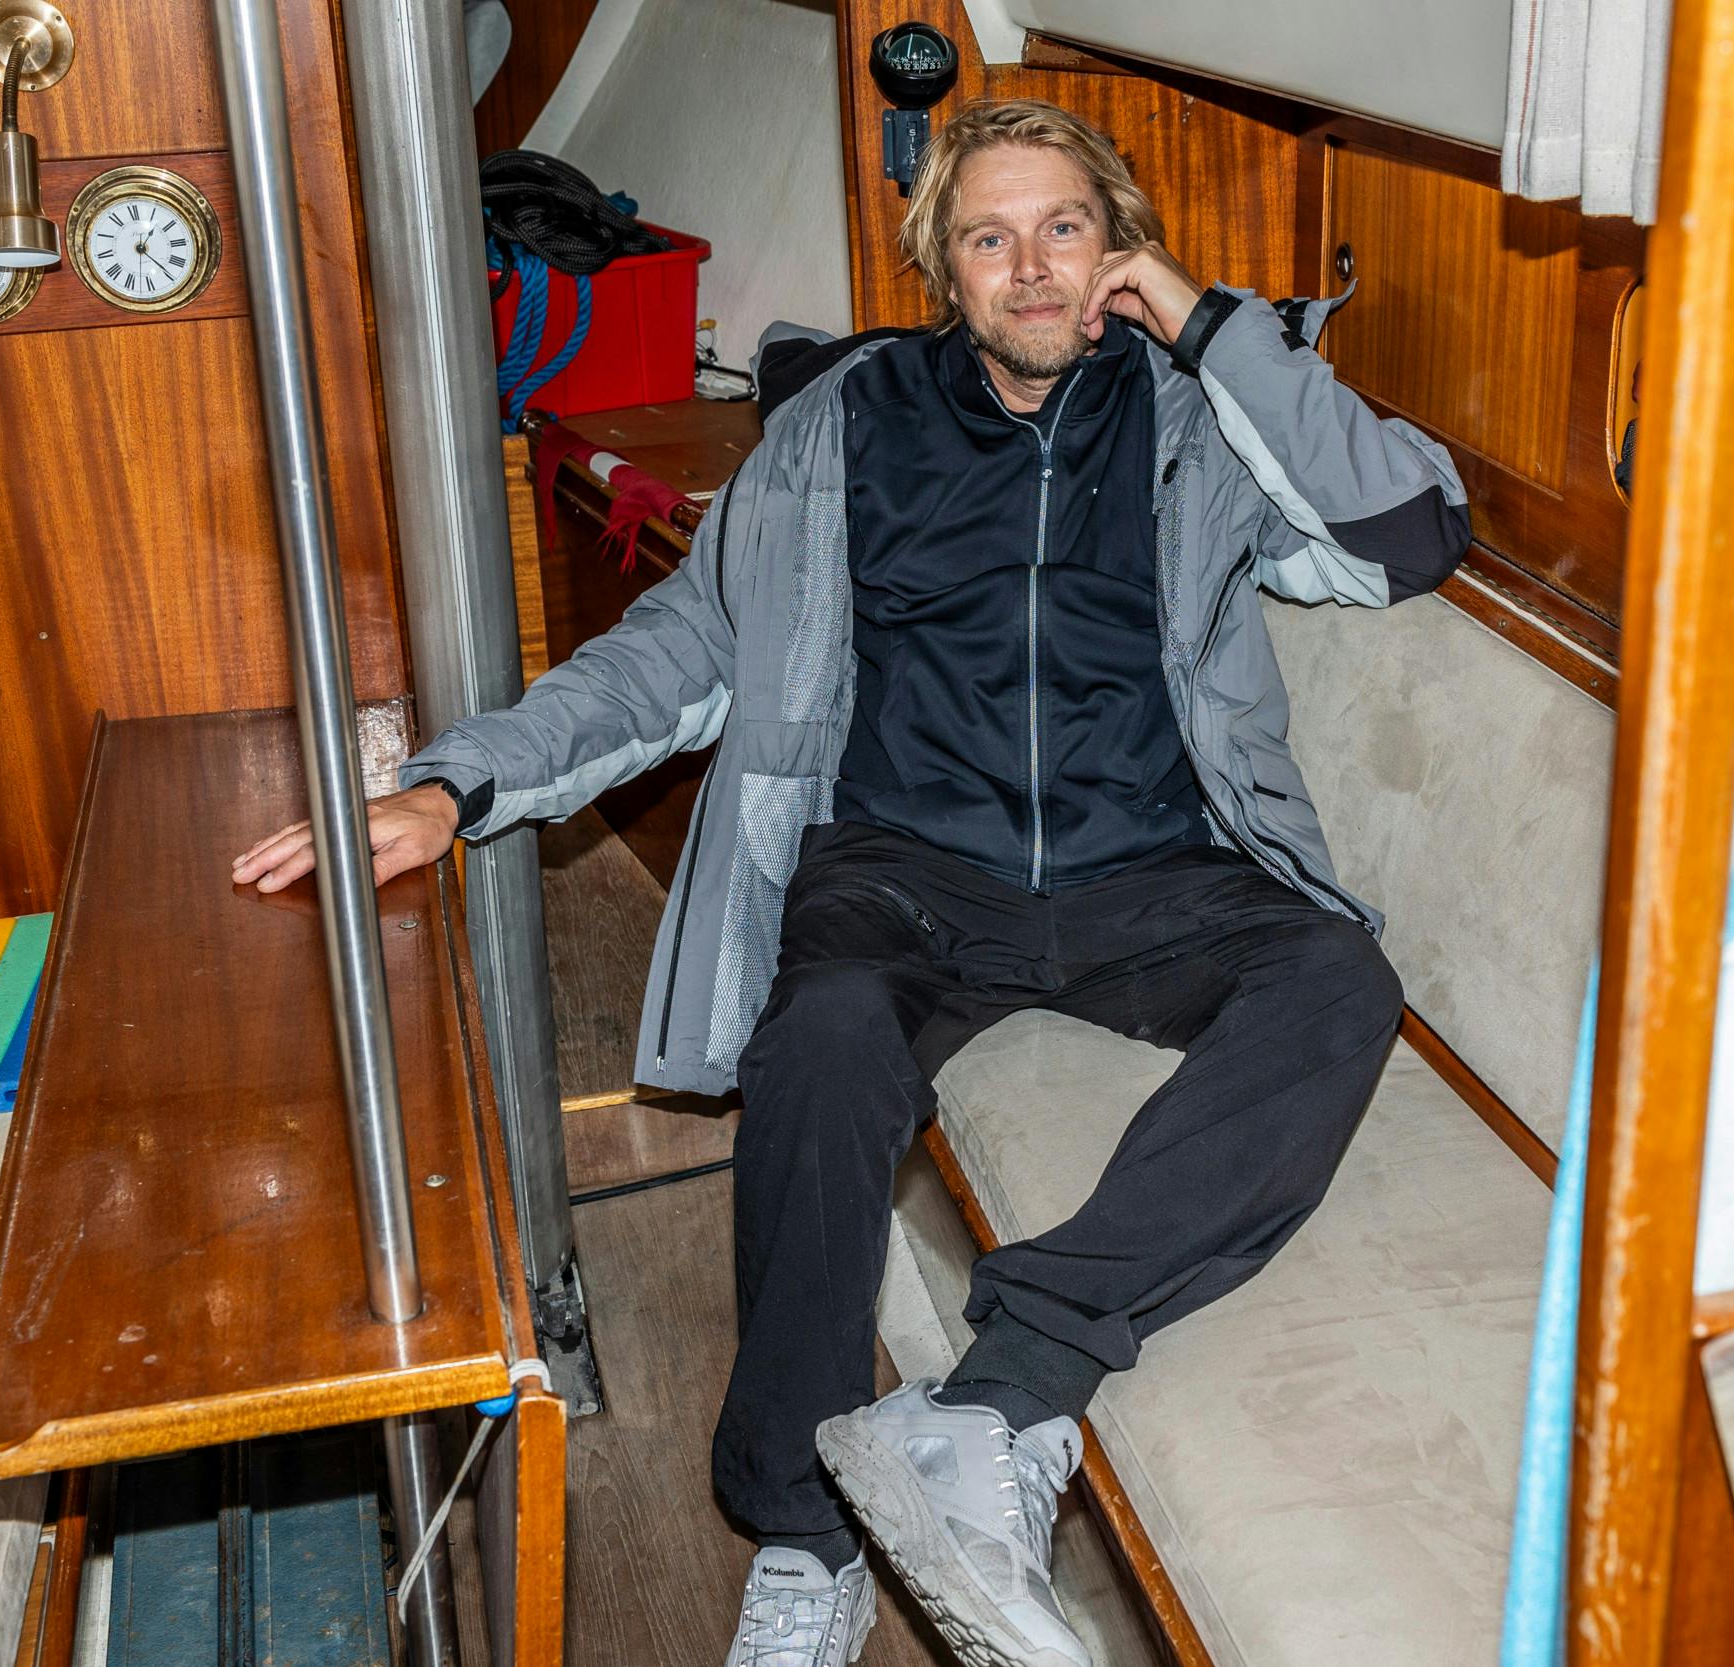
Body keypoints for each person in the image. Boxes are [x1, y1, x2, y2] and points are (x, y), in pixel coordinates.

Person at [235, 97, 1469, 1667]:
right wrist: (455, 782)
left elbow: (1411, 533)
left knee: (1340, 980)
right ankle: (804, 1537)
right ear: (942, 270)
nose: (1032, 268)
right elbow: (680, 650)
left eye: (1066, 229)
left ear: (1121, 245)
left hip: (1158, 865)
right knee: (816, 1044)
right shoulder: (847, 425)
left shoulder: (1204, 416)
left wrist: (1210, 324)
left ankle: (999, 1397)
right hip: (907, 876)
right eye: (989, 239)